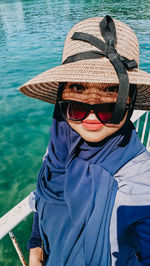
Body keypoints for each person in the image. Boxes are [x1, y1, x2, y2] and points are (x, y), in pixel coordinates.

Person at [20, 15, 150, 265]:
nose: (91, 113)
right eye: (78, 90)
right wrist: (36, 245)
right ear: (61, 99)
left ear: (129, 101)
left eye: (111, 91)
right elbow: (43, 197)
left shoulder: (141, 180)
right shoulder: (60, 147)